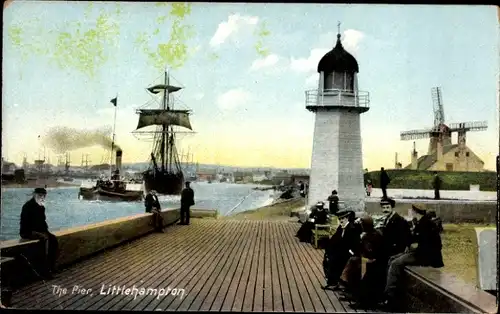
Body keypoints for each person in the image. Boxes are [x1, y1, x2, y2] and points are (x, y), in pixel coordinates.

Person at [381, 203, 444, 311]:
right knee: (392, 259)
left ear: (415, 211)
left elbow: (434, 244)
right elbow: (413, 239)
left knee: (396, 263)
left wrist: (415, 246)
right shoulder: (421, 222)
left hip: (426, 257)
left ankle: (389, 297)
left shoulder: (426, 224)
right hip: (419, 253)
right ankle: (389, 292)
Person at [19, 188, 58, 279]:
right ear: (34, 195)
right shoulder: (27, 206)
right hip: (27, 231)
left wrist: (46, 232)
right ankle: (44, 272)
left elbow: (42, 222)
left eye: (43, 196)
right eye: (40, 195)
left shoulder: (41, 207)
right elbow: (26, 223)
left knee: (53, 239)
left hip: (38, 231)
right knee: (44, 239)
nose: (42, 197)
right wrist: (40, 232)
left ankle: (51, 267)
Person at [350, 215, 386, 309]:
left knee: (361, 274)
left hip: (371, 261)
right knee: (356, 267)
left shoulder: (369, 236)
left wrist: (361, 240)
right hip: (372, 260)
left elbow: (368, 251)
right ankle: (358, 298)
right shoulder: (375, 233)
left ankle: (361, 302)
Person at [322, 210, 360, 291]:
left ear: (347, 218)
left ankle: (335, 282)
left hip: (349, 252)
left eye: (343, 218)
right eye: (340, 219)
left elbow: (355, 244)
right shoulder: (341, 227)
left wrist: (349, 252)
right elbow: (334, 240)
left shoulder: (352, 228)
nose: (341, 221)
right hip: (341, 251)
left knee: (335, 260)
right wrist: (328, 249)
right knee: (329, 258)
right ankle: (332, 282)